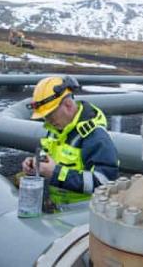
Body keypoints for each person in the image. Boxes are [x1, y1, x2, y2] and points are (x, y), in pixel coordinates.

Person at [22, 76, 119, 207]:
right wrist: (36, 165)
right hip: (60, 213)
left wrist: (56, 173)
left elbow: (105, 183)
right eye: (45, 117)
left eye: (50, 115)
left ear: (67, 105)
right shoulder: (56, 129)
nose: (48, 120)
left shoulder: (95, 137)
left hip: (85, 217)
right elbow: (51, 158)